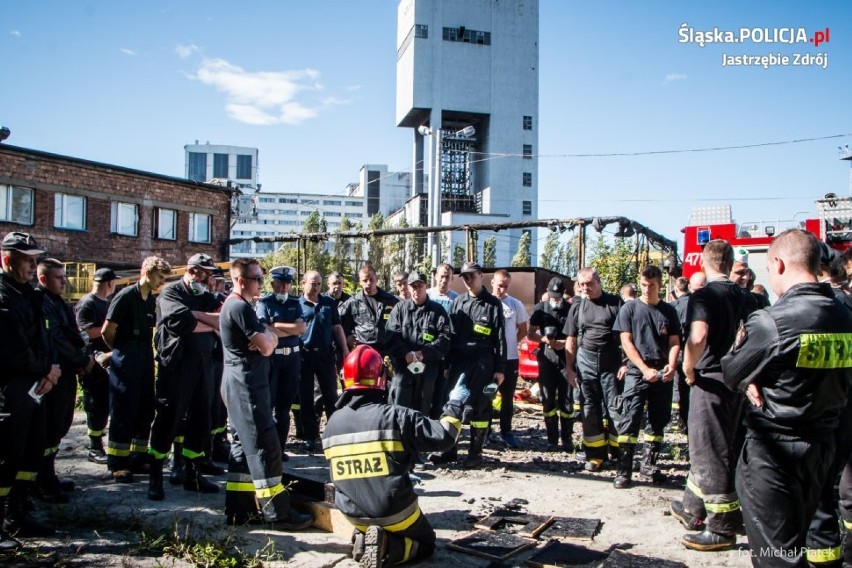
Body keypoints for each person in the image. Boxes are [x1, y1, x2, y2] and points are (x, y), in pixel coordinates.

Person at [721, 229, 852, 567]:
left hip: (774, 455)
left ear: (777, 264)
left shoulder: (772, 322)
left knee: (775, 555)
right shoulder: (845, 317)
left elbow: (733, 372)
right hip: (826, 445)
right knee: (811, 536)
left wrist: (750, 376)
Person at [322, 345, 464, 567]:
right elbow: (445, 437)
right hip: (395, 512)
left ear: (345, 380)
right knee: (426, 543)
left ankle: (364, 538)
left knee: (373, 521)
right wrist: (455, 404)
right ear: (381, 378)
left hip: (351, 514)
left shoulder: (332, 423)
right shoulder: (397, 415)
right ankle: (389, 548)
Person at [219, 258, 312, 530]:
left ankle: (238, 510)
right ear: (240, 280)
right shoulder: (239, 307)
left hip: (238, 384)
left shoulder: (238, 306)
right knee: (265, 446)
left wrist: (269, 333)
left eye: (261, 278)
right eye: (257, 278)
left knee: (241, 446)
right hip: (247, 386)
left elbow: (268, 335)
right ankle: (278, 514)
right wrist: (269, 337)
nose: (261, 283)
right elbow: (267, 345)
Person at [672, 239, 753, 551]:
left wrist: (689, 368)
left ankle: (721, 528)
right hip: (738, 380)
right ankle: (693, 506)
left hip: (709, 380)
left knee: (709, 450)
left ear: (703, 262)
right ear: (731, 263)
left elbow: (699, 336)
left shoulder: (703, 295)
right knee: (721, 444)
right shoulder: (748, 297)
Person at [0, 232, 60, 551]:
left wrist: (51, 369)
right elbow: (13, 350)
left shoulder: (31, 294)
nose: (32, 266)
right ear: (7, 260)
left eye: (34, 259)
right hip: (13, 385)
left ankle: (19, 512)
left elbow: (44, 338)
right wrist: (45, 370)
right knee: (6, 455)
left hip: (38, 383)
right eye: (26, 260)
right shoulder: (4, 296)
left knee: (30, 452)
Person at [147, 253, 221, 501]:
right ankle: (155, 477)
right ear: (191, 271)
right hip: (177, 367)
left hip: (203, 365)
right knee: (168, 419)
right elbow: (181, 323)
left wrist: (200, 316)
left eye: (210, 275)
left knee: (201, 420)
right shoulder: (171, 293)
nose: (208, 279)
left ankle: (192, 474)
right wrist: (208, 322)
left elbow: (224, 318)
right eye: (204, 273)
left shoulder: (205, 297)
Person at [430, 261, 506, 469]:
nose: (468, 280)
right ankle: (448, 451)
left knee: (481, 408)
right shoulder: (459, 302)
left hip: (483, 361)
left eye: (471, 275)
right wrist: (447, 365)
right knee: (451, 405)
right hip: (460, 362)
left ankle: (475, 454)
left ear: (481, 276)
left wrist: (500, 369)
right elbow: (451, 337)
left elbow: (500, 339)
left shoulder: (492, 304)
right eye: (464, 277)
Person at [102, 256, 171, 483]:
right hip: (126, 356)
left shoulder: (150, 300)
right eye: (160, 277)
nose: (161, 282)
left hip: (144, 356)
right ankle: (117, 463)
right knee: (123, 408)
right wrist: (121, 353)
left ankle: (137, 458)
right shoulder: (125, 297)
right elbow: (107, 331)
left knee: (144, 409)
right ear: (147, 272)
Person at [612, 266, 680, 489]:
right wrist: (643, 369)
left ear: (660, 285)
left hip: (662, 373)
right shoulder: (629, 309)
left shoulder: (669, 311)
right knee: (630, 420)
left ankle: (648, 464)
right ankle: (624, 471)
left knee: (658, 421)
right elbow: (626, 341)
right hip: (637, 373)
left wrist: (672, 364)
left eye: (651, 285)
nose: (647, 289)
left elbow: (674, 342)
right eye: (643, 285)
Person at [35, 258, 94, 503]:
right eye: (59, 278)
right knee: (48, 429)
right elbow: (56, 339)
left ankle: (49, 476)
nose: (65, 281)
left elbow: (73, 333)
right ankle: (42, 481)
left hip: (67, 372)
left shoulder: (58, 301)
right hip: (53, 373)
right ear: (43, 279)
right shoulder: (42, 302)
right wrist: (81, 359)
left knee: (60, 426)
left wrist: (82, 356)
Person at [565, 268, 625, 472]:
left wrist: (626, 363)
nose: (586, 288)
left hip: (611, 363)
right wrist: (570, 370)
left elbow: (626, 336)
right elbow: (571, 340)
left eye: (589, 284)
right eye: (582, 285)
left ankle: (620, 453)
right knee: (589, 410)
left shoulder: (615, 303)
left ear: (599, 281)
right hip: (586, 362)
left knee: (615, 408)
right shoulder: (578, 307)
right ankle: (595, 455)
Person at [385, 271, 452, 414]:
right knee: (401, 407)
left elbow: (445, 339)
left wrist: (424, 353)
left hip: (429, 369)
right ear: (409, 288)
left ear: (426, 286)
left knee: (426, 407)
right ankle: (402, 435)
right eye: (413, 286)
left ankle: (423, 436)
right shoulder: (399, 309)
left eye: (419, 286)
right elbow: (391, 336)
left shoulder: (438, 311)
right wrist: (405, 354)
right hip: (404, 368)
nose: (416, 289)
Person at [255, 266, 305, 456]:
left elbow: (301, 329)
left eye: (287, 284)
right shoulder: (265, 303)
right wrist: (287, 328)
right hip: (273, 359)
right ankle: (268, 446)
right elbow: (264, 329)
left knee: (285, 406)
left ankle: (280, 447)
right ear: (273, 284)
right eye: (281, 284)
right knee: (269, 405)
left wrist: (275, 325)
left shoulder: (295, 303)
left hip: (292, 359)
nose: (284, 287)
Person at [299, 270, 350, 452]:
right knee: (308, 398)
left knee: (331, 396)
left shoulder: (328, 303)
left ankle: (334, 435)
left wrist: (344, 350)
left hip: (325, 355)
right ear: (303, 283)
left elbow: (337, 328)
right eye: (313, 283)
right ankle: (310, 436)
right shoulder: (297, 305)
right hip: (304, 356)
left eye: (319, 284)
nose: (316, 287)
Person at [75, 268, 118, 465]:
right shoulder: (88, 303)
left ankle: (101, 442)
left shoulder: (106, 303)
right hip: (93, 362)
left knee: (105, 405)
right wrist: (110, 329)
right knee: (95, 405)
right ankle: (94, 446)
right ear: (109, 283)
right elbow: (83, 332)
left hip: (107, 361)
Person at [528, 277, 573, 451]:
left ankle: (567, 438)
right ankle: (552, 438)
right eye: (552, 296)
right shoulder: (540, 309)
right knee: (548, 399)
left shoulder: (570, 310)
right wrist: (543, 339)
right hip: (547, 357)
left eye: (558, 297)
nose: (555, 300)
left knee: (567, 401)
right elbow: (530, 334)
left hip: (566, 358)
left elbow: (577, 335)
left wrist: (564, 342)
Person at [490, 270, 529, 449]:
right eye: (499, 285)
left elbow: (523, 329)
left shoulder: (515, 304)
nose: (502, 289)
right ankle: (486, 431)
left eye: (505, 286)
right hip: (489, 358)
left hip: (510, 358)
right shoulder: (486, 302)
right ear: (492, 282)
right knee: (487, 395)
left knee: (507, 397)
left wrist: (511, 343)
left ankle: (506, 431)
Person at [339, 264, 399, 356]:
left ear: (377, 279)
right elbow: (337, 321)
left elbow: (401, 323)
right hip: (362, 350)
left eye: (371, 279)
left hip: (386, 350)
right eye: (365, 280)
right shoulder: (353, 302)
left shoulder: (391, 300)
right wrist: (347, 337)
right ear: (360, 281)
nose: (368, 283)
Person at [427, 263, 458, 419]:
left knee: (443, 393)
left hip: (446, 355)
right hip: (426, 353)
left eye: (447, 277)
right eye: (441, 276)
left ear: (452, 279)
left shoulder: (456, 300)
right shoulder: (427, 295)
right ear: (435, 276)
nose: (444, 280)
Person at [670, 276, 692, 432]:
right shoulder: (696, 303)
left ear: (677, 290)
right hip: (695, 349)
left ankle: (678, 417)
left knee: (678, 385)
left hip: (679, 348)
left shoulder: (674, 306)